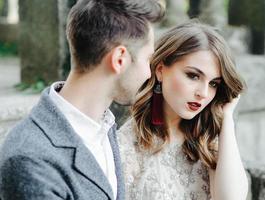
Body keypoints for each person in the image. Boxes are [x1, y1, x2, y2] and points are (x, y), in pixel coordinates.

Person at [0, 0, 164, 199]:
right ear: (119, 59)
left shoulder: (103, 125)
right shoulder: (30, 158)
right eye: (148, 59)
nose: (149, 73)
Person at [118, 20, 249, 200]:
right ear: (161, 70)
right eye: (193, 76)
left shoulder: (209, 141)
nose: (203, 93)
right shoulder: (126, 144)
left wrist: (227, 117)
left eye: (213, 84)